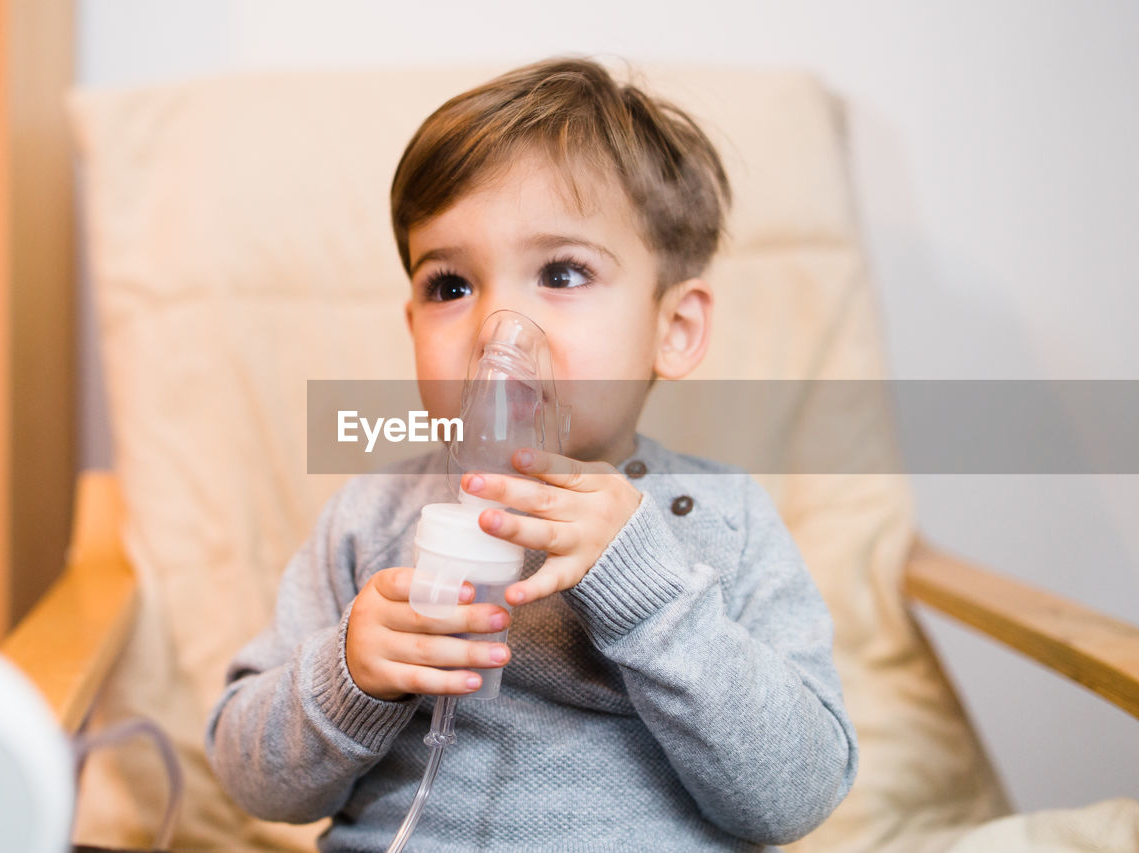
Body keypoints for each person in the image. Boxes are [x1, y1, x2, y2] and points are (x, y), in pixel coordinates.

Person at [205, 56, 857, 852]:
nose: (498, 328)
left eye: (562, 271)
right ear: (410, 323)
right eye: (450, 286)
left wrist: (649, 594)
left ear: (673, 329)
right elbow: (248, 774)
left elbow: (799, 792)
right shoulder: (371, 520)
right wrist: (351, 675)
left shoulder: (719, 522)